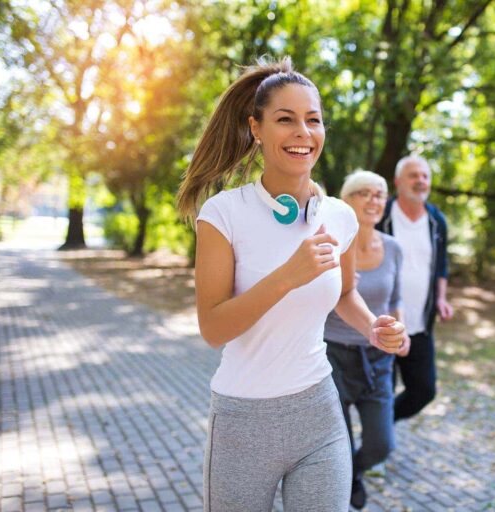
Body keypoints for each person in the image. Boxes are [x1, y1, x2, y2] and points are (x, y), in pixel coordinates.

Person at [175, 57, 406, 512]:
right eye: (286, 119)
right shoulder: (223, 214)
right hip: (243, 419)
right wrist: (286, 277)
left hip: (319, 410)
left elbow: (343, 293)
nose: (303, 132)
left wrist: (373, 327)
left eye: (313, 120)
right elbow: (213, 328)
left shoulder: (338, 215)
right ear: (256, 128)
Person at [323, 170, 410, 509]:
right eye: (365, 193)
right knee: (338, 443)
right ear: (346, 201)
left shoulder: (393, 249)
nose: (374, 200)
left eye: (380, 194)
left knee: (381, 444)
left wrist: (399, 332)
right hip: (333, 356)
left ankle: (352, 474)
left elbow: (396, 298)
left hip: (378, 359)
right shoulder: (329, 245)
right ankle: (339, 488)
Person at [376, 155, 454, 422]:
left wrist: (441, 299)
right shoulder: (381, 216)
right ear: (398, 182)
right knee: (381, 392)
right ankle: (376, 450)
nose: (421, 181)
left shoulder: (436, 221)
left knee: (424, 390)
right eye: (414, 175)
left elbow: (440, 265)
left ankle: (381, 429)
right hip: (382, 322)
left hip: (420, 325)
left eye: (425, 176)